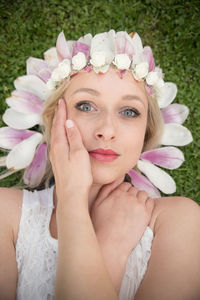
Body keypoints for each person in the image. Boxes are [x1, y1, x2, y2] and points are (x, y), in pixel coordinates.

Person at [0, 30, 200, 300]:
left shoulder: (179, 221)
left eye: (129, 111)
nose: (107, 130)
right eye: (86, 106)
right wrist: (109, 248)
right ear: (53, 119)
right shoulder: (5, 214)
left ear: (147, 132)